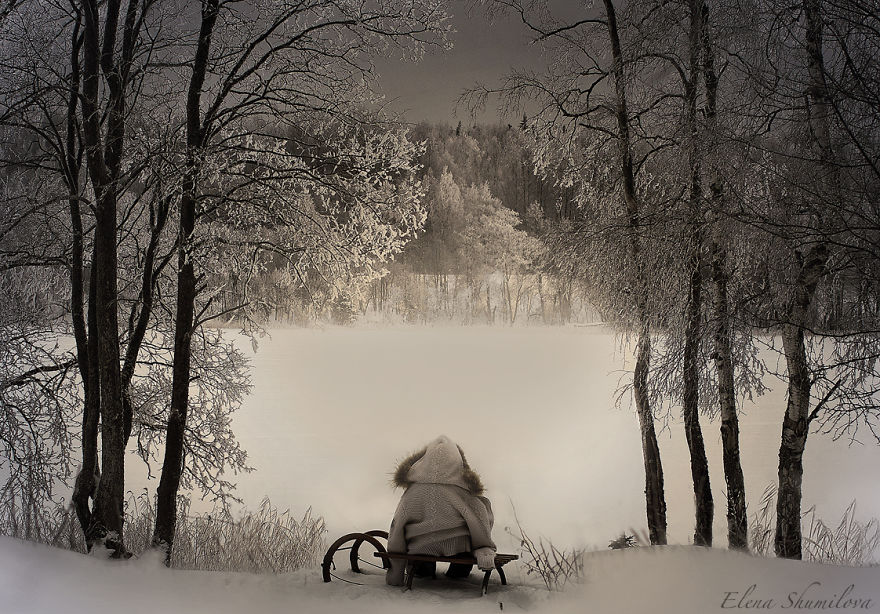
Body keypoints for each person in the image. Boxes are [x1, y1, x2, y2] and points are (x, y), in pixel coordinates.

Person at [385, 435, 497, 585]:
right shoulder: (462, 491)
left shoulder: (413, 492)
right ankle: (459, 572)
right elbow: (479, 518)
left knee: (420, 554)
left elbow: (397, 525)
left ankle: (422, 570)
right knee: (481, 510)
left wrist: (396, 570)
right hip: (458, 548)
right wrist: (484, 546)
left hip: (420, 547)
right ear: (457, 461)